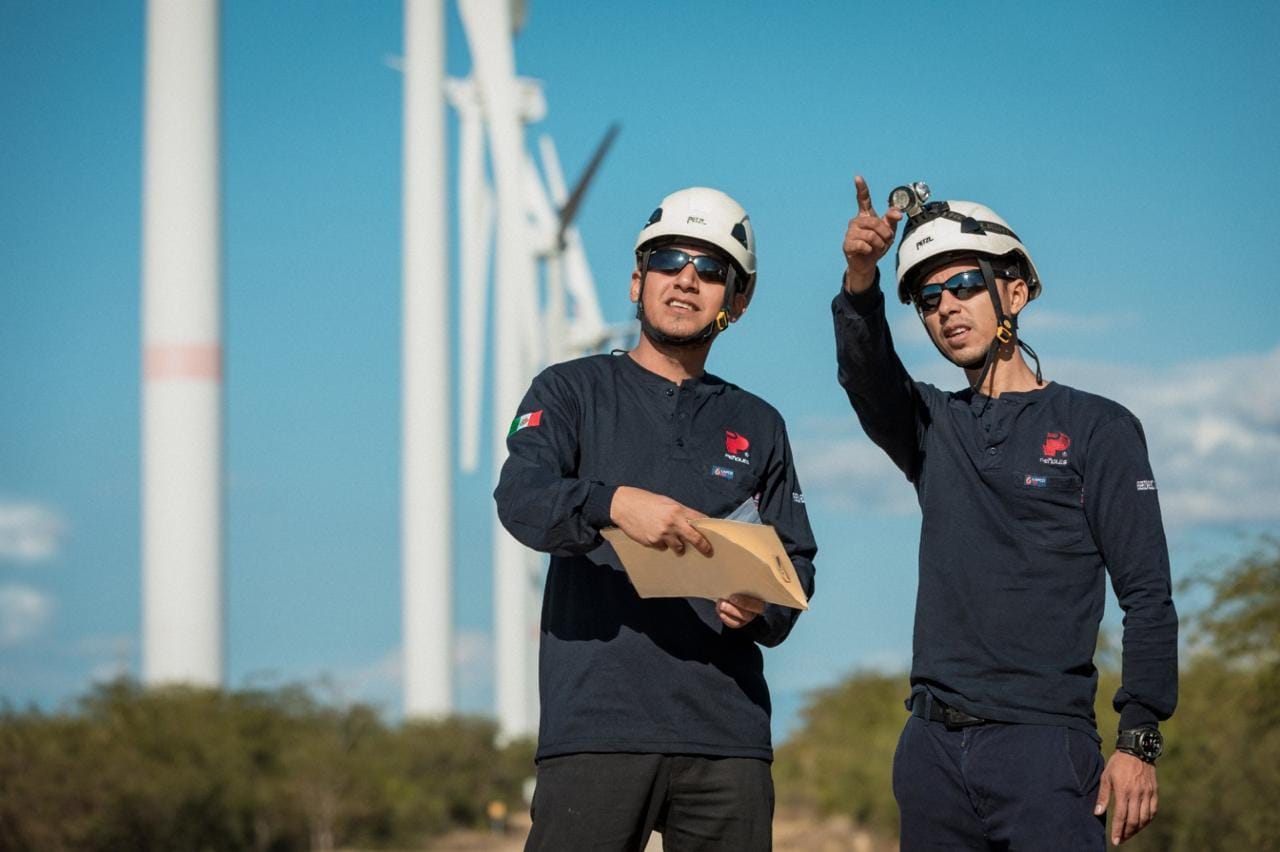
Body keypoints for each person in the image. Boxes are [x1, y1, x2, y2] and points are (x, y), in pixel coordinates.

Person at [832, 176, 1177, 849]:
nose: (946, 308)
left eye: (963, 286)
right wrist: (860, 279)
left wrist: (1139, 739)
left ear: (1013, 291)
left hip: (1043, 750)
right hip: (930, 753)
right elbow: (865, 374)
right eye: (928, 299)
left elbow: (1148, 595)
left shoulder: (1096, 427)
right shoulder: (932, 425)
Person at [495, 186, 817, 851]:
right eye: (669, 261)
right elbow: (521, 498)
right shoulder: (569, 390)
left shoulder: (759, 424)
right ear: (638, 280)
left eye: (711, 270)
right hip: (594, 732)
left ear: (738, 301)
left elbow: (797, 562)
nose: (686, 281)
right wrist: (612, 503)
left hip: (728, 741)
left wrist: (763, 605)